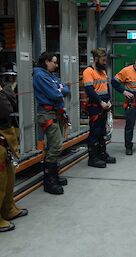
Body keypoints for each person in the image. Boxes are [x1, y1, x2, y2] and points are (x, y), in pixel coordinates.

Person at [33, 52, 70, 195]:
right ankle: (49, 182)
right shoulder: (39, 76)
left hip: (56, 113)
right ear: (46, 62)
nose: (56, 64)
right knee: (56, 146)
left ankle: (53, 175)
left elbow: (65, 89)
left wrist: (59, 89)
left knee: (54, 145)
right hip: (47, 114)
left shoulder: (50, 75)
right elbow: (55, 94)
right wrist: (59, 90)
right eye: (54, 62)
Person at [0, 81, 28, 232]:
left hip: (4, 134)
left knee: (9, 177)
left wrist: (4, 93)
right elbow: (6, 108)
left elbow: (9, 102)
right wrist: (5, 93)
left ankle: (8, 209)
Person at [82, 48, 116, 168]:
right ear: (96, 59)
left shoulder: (102, 71)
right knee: (95, 132)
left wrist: (109, 101)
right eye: (103, 60)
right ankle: (93, 158)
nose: (105, 62)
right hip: (95, 106)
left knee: (102, 131)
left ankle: (102, 154)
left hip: (104, 105)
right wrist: (101, 102)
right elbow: (90, 90)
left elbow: (106, 86)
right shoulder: (88, 72)